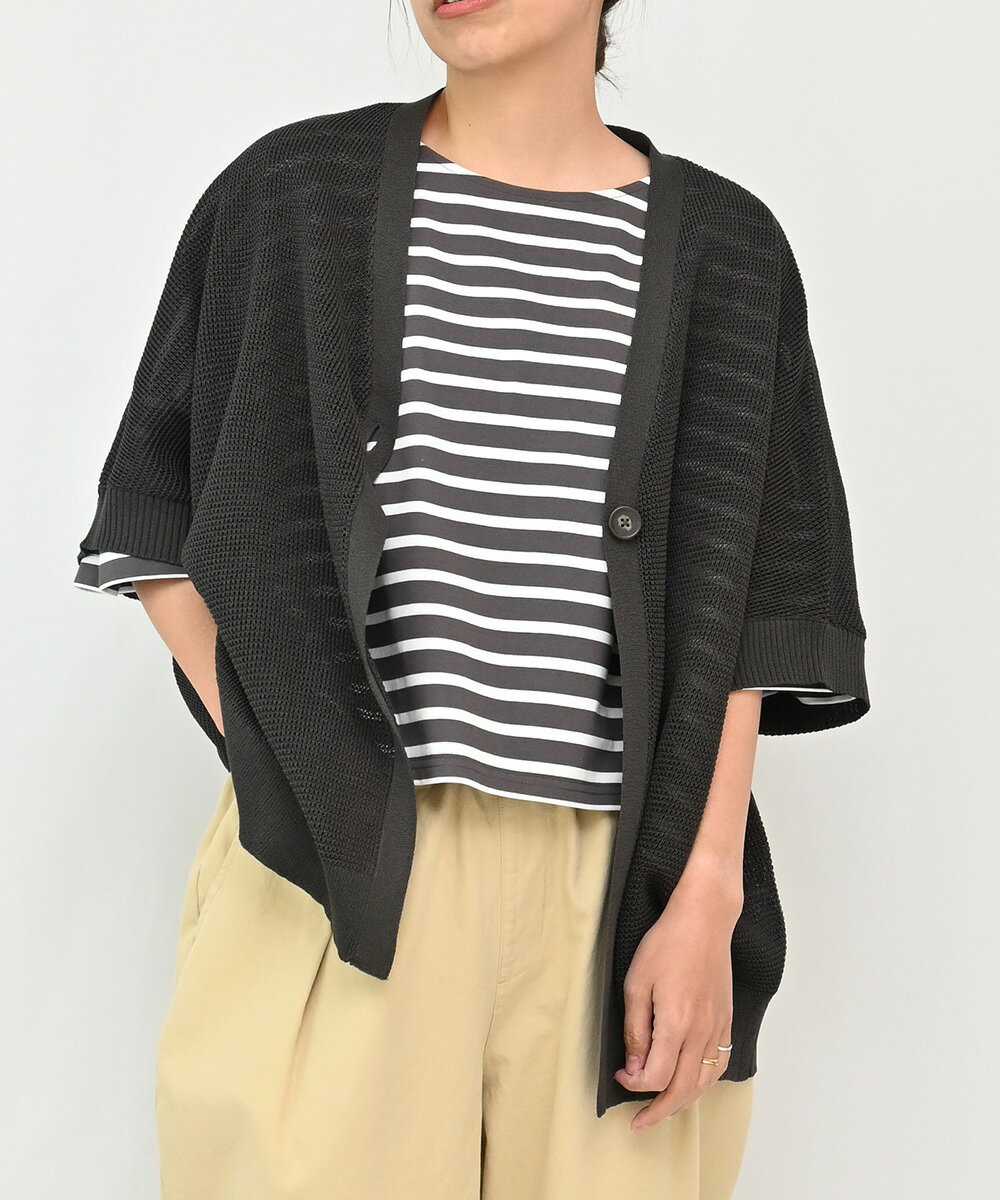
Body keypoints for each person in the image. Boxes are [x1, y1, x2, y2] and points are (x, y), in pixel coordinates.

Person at [72, 2, 870, 1197]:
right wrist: (290, 757)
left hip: (618, 893)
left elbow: (759, 603)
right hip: (342, 872)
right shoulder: (290, 198)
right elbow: (155, 515)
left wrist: (708, 891)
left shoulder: (729, 252)